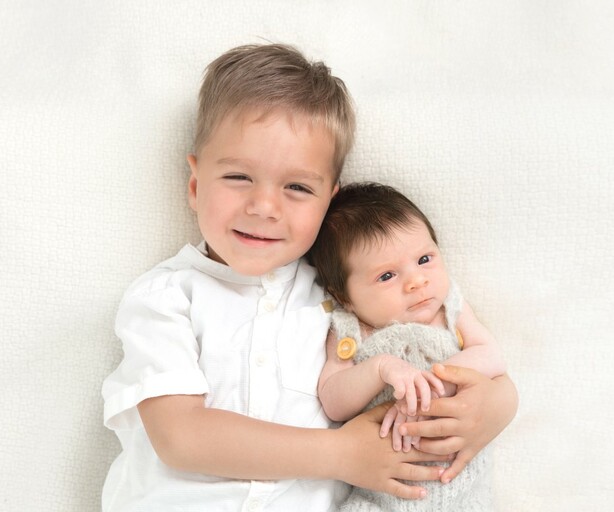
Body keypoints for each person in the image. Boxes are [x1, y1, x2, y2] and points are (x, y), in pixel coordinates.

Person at [101, 43, 518, 512]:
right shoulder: (166, 298)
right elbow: (181, 436)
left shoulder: (345, 295)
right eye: (238, 176)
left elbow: (434, 349)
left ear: (328, 203)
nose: (264, 207)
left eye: (297, 187)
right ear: (195, 186)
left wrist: (497, 408)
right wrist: (344, 455)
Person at [309, 181, 509, 511]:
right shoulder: (349, 328)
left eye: (425, 259)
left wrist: (438, 381)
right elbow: (333, 401)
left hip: (463, 492)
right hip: (382, 498)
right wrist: (381, 369)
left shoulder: (450, 309)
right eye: (387, 276)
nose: (416, 281)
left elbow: (492, 356)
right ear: (345, 296)